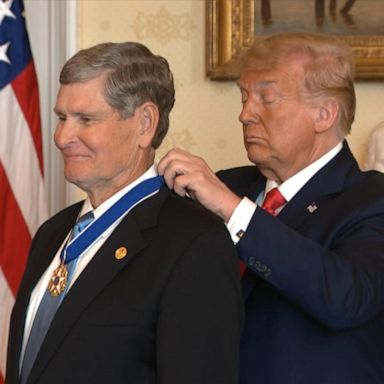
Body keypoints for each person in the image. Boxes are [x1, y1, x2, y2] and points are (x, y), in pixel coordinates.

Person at [6, 42, 244, 384]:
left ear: (144, 124)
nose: (62, 136)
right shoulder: (51, 233)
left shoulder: (193, 242)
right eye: (61, 117)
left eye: (85, 119)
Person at [159, 32, 384, 384]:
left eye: (267, 98)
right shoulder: (226, 185)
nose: (245, 114)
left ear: (324, 114)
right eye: (245, 97)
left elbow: (346, 298)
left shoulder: (371, 198)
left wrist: (234, 211)